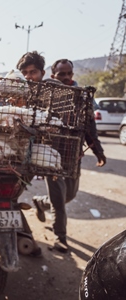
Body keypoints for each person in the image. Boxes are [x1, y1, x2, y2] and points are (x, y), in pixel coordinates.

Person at [16, 53, 107, 253]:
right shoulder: (46, 93)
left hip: (73, 156)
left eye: (69, 73)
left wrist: (98, 151)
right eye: (61, 74)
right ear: (53, 75)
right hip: (51, 155)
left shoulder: (81, 97)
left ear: (72, 73)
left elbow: (89, 128)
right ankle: (60, 238)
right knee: (59, 200)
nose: (66, 77)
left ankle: (40, 203)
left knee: (70, 195)